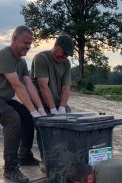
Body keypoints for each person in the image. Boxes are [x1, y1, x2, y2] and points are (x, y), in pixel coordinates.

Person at [0, 25, 47, 183]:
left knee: (25, 115)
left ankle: (24, 156)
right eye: (25, 43)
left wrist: (39, 109)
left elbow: (29, 85)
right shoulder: (4, 55)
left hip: (0, 98)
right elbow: (17, 86)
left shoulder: (21, 63)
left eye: (30, 43)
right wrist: (34, 111)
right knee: (12, 118)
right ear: (14, 39)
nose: (28, 46)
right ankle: (10, 168)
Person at [31, 33, 74, 169]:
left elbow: (66, 87)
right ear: (56, 45)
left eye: (67, 55)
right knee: (45, 130)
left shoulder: (66, 63)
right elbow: (43, 86)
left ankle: (63, 158)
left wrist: (61, 108)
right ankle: (46, 161)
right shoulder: (41, 58)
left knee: (67, 126)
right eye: (62, 53)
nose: (63, 57)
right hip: (41, 105)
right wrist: (53, 110)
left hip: (56, 104)